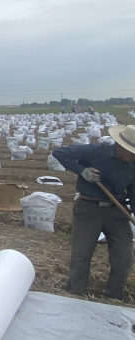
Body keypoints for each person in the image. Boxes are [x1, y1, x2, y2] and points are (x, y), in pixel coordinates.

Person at [52, 125, 135, 300]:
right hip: (89, 208)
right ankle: (75, 294)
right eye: (132, 152)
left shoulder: (133, 164)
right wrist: (82, 171)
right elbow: (60, 153)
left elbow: (133, 192)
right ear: (120, 147)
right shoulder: (96, 151)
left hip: (117, 212)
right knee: (82, 254)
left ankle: (114, 297)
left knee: (124, 256)